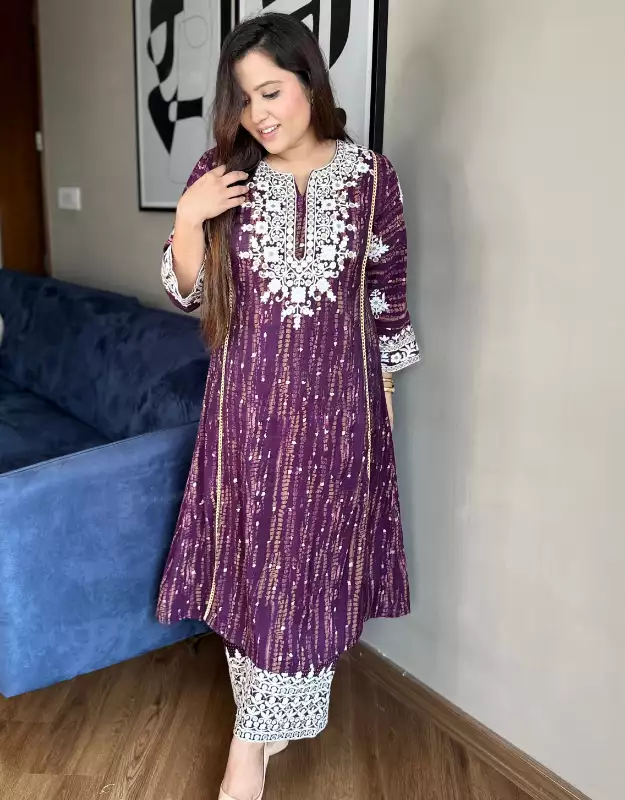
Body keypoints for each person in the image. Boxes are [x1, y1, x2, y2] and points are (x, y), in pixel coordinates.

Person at [156, 12, 420, 800]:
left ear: (309, 79)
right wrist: (188, 216)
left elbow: (386, 301)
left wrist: (382, 414)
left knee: (308, 572)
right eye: (242, 99)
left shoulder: (371, 179)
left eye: (270, 91)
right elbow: (186, 292)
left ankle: (259, 738)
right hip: (247, 415)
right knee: (257, 569)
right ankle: (250, 745)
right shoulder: (220, 172)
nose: (257, 114)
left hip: (341, 417)